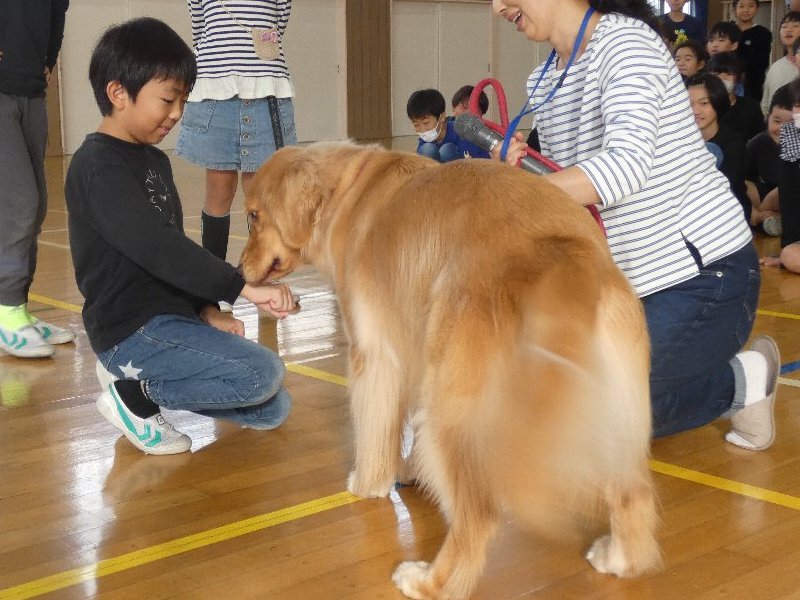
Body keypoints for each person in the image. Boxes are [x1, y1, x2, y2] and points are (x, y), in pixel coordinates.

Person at [492, 0, 780, 450]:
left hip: (705, 279)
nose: (496, 7)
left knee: (589, 410)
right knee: (557, 403)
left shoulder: (627, 43)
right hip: (624, 288)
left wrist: (519, 196)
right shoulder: (545, 78)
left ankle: (740, 381)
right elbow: (579, 191)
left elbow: (625, 166)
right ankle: (741, 387)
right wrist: (522, 172)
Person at [65, 17, 297, 456]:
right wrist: (240, 287)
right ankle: (135, 395)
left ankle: (133, 381)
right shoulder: (96, 165)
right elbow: (155, 245)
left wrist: (208, 310)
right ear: (118, 93)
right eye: (168, 100)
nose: (177, 114)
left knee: (273, 408)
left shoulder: (155, 161)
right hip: (131, 328)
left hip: (171, 319)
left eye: (182, 101)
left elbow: (173, 252)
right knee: (261, 374)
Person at [175, 0, 296, 264]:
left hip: (266, 88)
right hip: (216, 90)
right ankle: (214, 279)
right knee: (219, 189)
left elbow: (278, 21)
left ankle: (259, 273)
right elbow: (199, 29)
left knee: (261, 193)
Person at [0, 0, 74, 359]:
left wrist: (48, 58)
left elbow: (57, 10)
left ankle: (18, 308)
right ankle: (7, 309)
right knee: (19, 203)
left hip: (30, 89)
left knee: (37, 205)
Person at [687, 73, 751, 223]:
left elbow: (728, 185)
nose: (695, 111)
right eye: (689, 104)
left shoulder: (733, 142)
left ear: (717, 103)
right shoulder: (677, 139)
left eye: (704, 103)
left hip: (729, 215)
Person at [761, 77, 800, 271]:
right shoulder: (791, 138)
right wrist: (788, 247)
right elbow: (790, 197)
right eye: (797, 106)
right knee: (790, 255)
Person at [746, 84, 794, 235]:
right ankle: (763, 218)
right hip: (763, 194)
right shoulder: (759, 143)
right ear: (768, 117)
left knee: (786, 188)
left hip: (789, 198)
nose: (782, 129)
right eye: (777, 121)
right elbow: (740, 176)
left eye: (792, 124)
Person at [407, 88, 490, 162]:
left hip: (467, 170)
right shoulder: (425, 140)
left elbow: (474, 160)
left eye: (426, 123)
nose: (422, 129)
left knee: (446, 150)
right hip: (439, 173)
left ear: (442, 117)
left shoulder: (460, 131)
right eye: (416, 125)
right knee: (427, 149)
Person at [706, 52, 765, 143]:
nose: (722, 79)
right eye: (716, 74)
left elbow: (759, 140)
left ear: (738, 78)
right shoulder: (702, 108)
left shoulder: (751, 107)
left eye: (728, 74)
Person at [760, 13, 800, 115]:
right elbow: (766, 105)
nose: (789, 30)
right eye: (784, 26)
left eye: (796, 26)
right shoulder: (774, 68)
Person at [733, 0, 772, 103]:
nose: (746, 10)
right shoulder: (728, 30)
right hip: (728, 83)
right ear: (735, 9)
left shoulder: (763, 33)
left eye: (751, 6)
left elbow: (762, 62)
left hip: (752, 86)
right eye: (741, 6)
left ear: (757, 8)